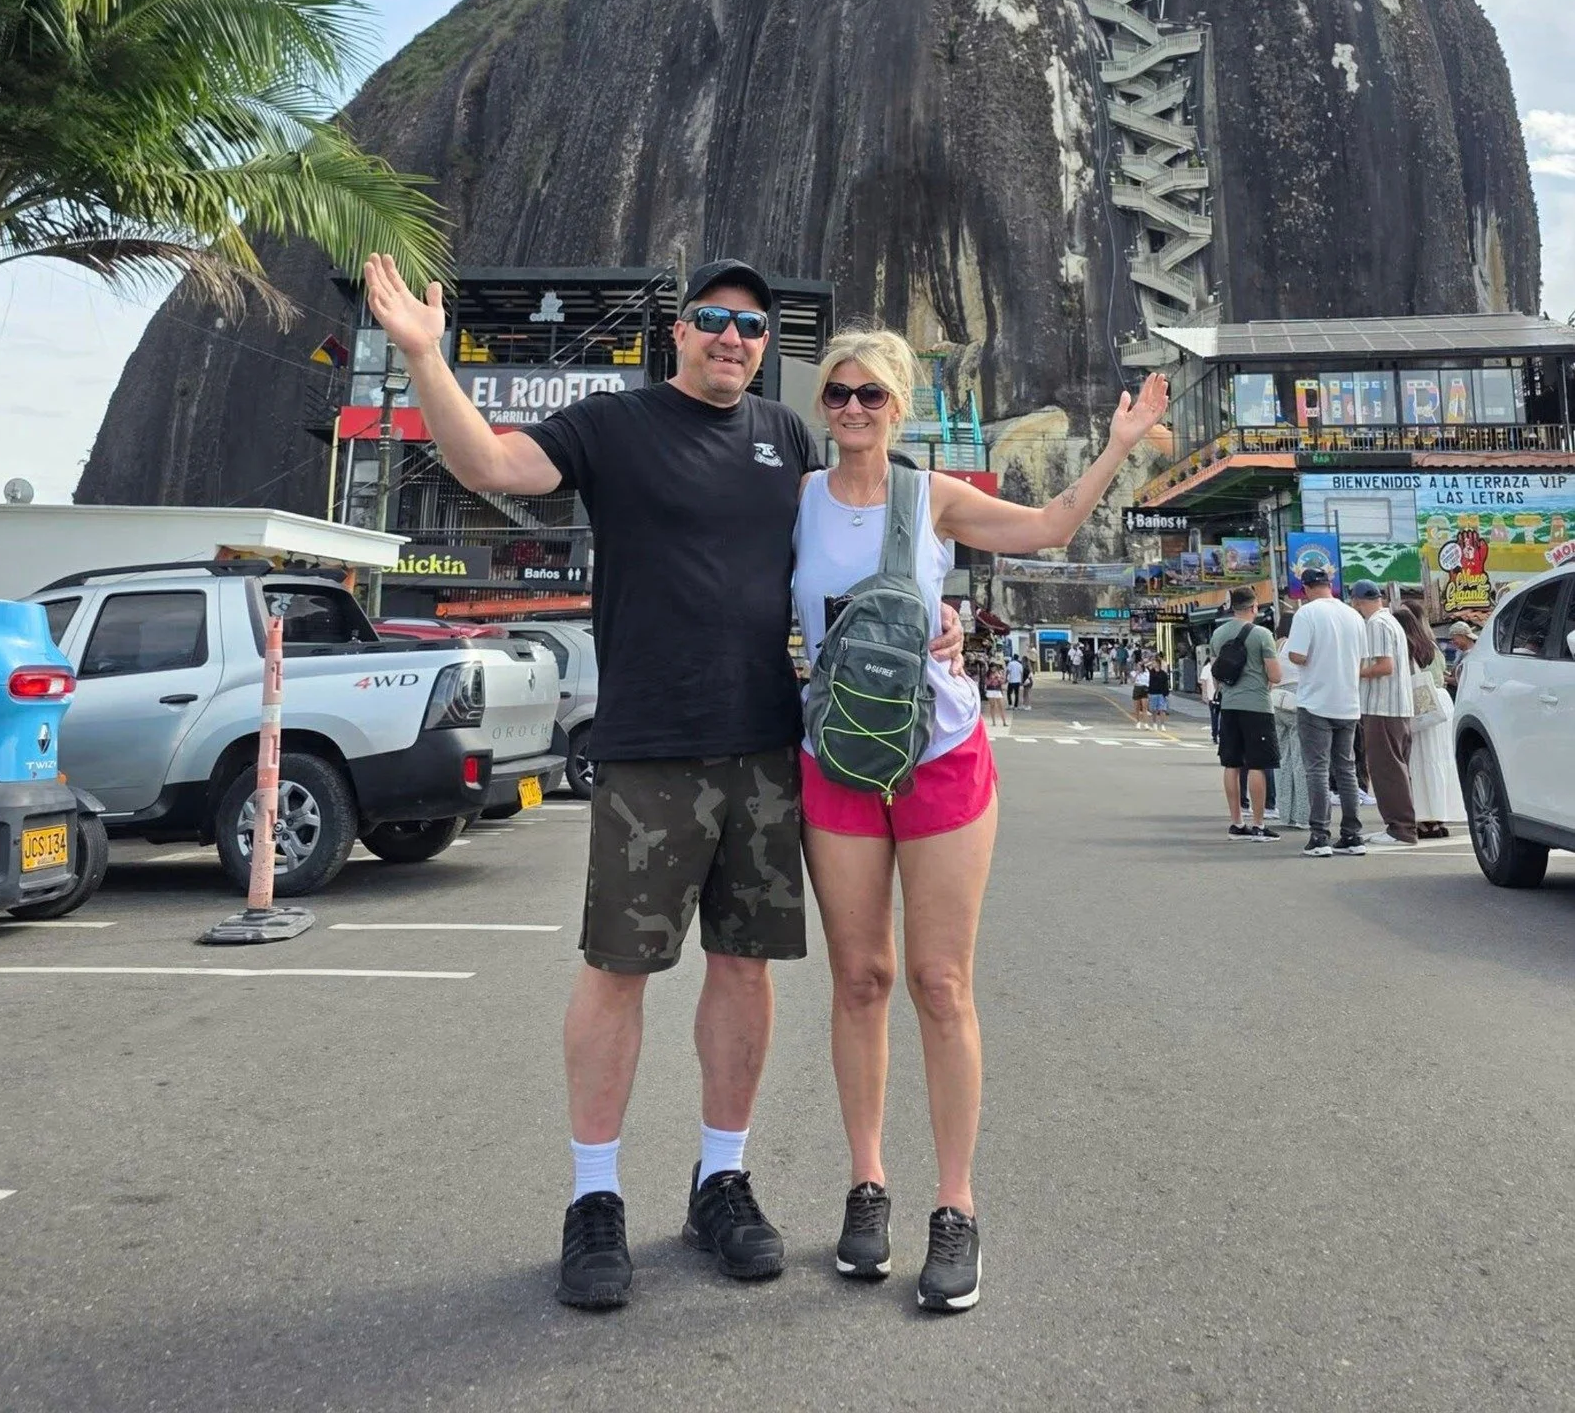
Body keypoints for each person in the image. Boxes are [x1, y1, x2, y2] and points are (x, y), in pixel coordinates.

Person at [360, 251, 965, 1313]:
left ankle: (720, 1178)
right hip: (649, 744)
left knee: (744, 968)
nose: (733, 336)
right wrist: (423, 355)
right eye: (713, 318)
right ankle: (594, 1197)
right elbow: (492, 466)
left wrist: (932, 619)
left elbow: (858, 551)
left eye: (752, 325)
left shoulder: (788, 442)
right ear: (676, 330)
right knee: (618, 969)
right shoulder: (611, 422)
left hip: (768, 747)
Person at [794, 328, 1168, 1312]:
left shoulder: (934, 499)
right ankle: (866, 1183)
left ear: (900, 405)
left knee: (939, 980)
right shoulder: (793, 502)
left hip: (940, 753)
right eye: (838, 392)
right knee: (861, 977)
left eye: (871, 393)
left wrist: (1118, 444)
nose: (852, 408)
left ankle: (954, 1203)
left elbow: (1047, 527)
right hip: (837, 757)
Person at [1286, 569, 1369, 859]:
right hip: (1348, 702)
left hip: (1315, 702)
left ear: (1306, 588)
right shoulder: (1354, 616)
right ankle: (1352, 835)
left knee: (1317, 769)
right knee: (1346, 769)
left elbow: (1297, 655)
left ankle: (1320, 836)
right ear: (1330, 585)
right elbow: (1361, 659)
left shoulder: (1306, 614)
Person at [1209, 586, 1283, 839]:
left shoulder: (1218, 634)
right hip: (1257, 707)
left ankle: (1237, 823)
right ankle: (1259, 824)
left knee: (1231, 764)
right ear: (1254, 607)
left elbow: (1216, 674)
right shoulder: (1262, 634)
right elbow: (1275, 675)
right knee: (1257, 765)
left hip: (1229, 706)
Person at [1349, 582, 1418, 848]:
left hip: (1382, 706)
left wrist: (1353, 672)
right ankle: (1401, 825)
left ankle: (1399, 829)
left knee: (1386, 768)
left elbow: (1384, 666)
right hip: (1396, 705)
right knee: (1396, 767)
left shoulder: (1376, 624)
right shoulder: (1390, 621)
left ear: (1356, 601)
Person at [1394, 602, 1463, 837]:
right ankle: (1439, 818)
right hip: (1441, 703)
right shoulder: (1431, 645)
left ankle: (1426, 820)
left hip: (1422, 704)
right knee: (1440, 761)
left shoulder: (1407, 648)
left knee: (1420, 762)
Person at [1268, 617, 1309, 830]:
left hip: (1277, 701)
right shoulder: (1301, 646)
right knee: (1301, 759)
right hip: (1297, 701)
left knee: (1282, 759)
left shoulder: (1279, 645)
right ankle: (1303, 814)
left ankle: (1286, 813)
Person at [1443, 620, 1477, 696]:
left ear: (1462, 636)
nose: (1453, 642)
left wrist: (1441, 677)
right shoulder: (1462, 652)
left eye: (1454, 639)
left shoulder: (1471, 656)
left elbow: (1460, 681)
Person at [983, 659, 1008, 730]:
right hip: (990, 690)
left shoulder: (999, 672)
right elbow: (986, 683)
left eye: (994, 667)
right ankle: (993, 721)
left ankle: (1004, 721)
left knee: (1001, 706)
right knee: (992, 706)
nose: (993, 669)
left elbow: (1003, 681)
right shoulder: (988, 674)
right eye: (991, 667)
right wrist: (992, 679)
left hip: (998, 690)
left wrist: (999, 679)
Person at [1132, 654, 1151, 725]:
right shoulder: (1134, 673)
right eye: (1137, 666)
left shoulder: (1146, 672)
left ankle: (1146, 723)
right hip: (1137, 688)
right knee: (1137, 707)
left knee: (1144, 707)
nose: (1138, 668)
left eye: (1139, 666)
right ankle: (1138, 721)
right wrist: (1137, 673)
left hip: (1144, 688)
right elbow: (1132, 681)